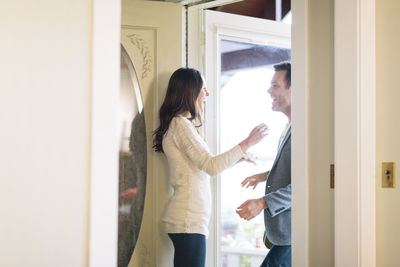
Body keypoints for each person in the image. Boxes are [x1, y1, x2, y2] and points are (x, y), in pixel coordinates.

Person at [153, 67, 268, 267]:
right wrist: (248, 142)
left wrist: (239, 158)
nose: (206, 94)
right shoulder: (180, 125)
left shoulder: (182, 125)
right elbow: (211, 166)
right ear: (191, 90)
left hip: (188, 221)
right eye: (203, 88)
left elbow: (203, 166)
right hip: (188, 220)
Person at [236, 62, 292, 267]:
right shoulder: (288, 128)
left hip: (294, 234)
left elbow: (305, 186)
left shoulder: (305, 130)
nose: (269, 90)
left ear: (293, 89)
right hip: (284, 234)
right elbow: (292, 172)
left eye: (275, 85)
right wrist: (263, 176)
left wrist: (261, 202)